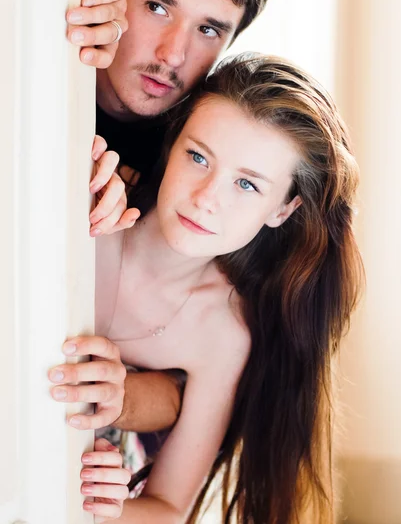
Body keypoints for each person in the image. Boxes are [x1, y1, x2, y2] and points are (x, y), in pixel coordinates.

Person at [83, 54, 363, 522]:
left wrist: (105, 507)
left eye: (247, 185)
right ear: (172, 145)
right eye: (198, 157)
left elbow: (169, 508)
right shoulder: (92, 197)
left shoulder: (225, 334)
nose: (207, 198)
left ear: (283, 210)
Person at [50, 0, 278, 436]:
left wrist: (132, 398)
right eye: (157, 6)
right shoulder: (45, 42)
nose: (174, 54)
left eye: (209, 29)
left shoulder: (197, 158)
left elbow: (179, 377)